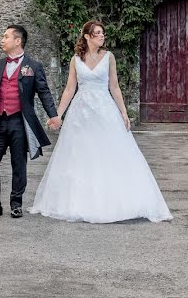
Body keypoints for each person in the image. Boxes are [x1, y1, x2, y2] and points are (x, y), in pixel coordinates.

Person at [29, 20, 173, 223]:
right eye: (97, 33)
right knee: (80, 154)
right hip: (81, 112)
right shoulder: (75, 60)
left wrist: (123, 112)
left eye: (102, 32)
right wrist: (58, 115)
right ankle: (80, 201)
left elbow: (114, 87)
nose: (102, 36)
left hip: (104, 109)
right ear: (87, 36)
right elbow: (70, 89)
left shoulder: (109, 57)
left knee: (109, 151)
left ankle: (115, 202)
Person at [0, 25, 62, 219]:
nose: (2, 40)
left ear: (17, 41)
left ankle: (16, 204)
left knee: (18, 163)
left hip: (20, 122)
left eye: (6, 37)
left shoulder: (34, 66)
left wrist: (53, 115)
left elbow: (44, 92)